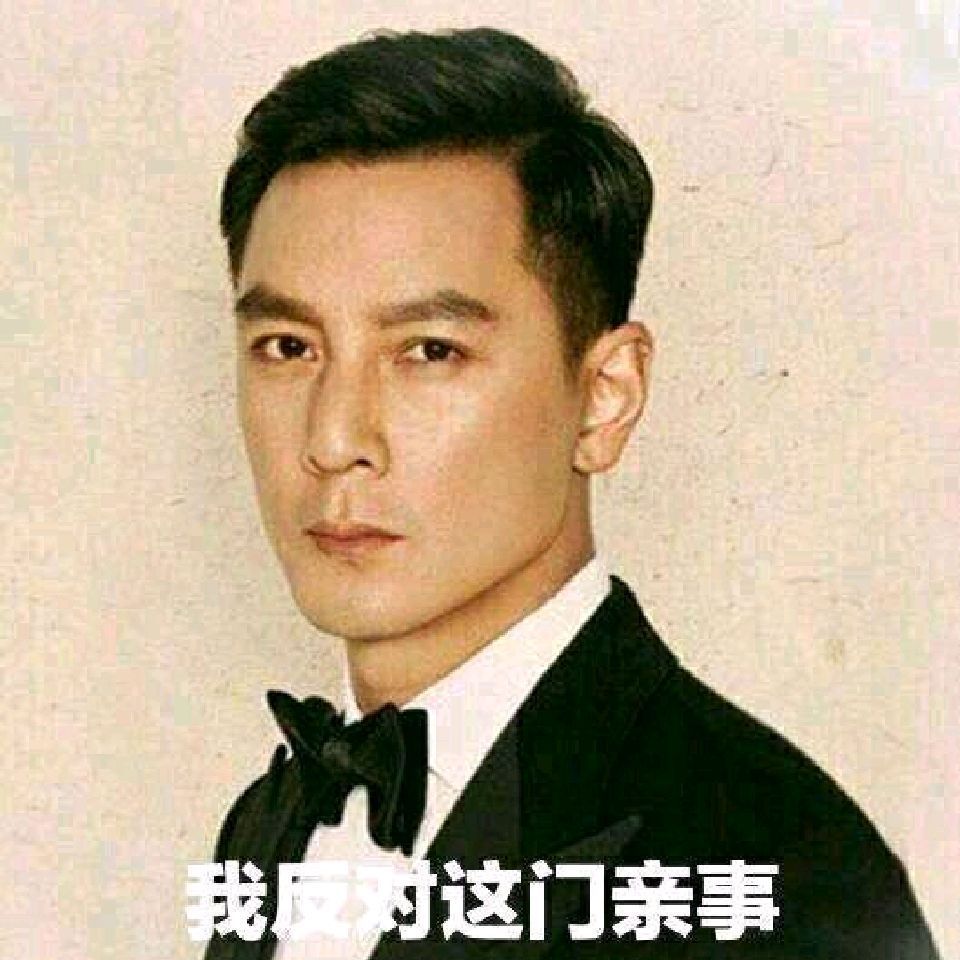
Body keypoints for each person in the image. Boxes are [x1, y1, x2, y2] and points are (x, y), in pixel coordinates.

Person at [202, 27, 939, 959]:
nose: (333, 441)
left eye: (430, 351)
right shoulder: (268, 823)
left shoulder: (782, 869)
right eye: (288, 348)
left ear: (604, 398)